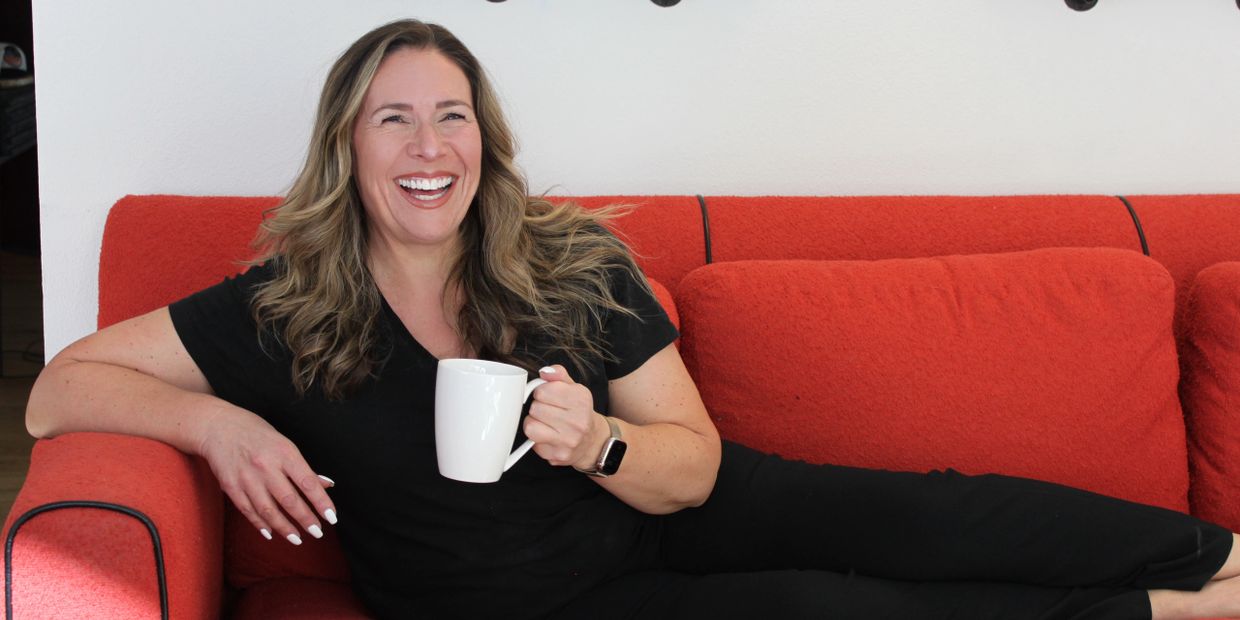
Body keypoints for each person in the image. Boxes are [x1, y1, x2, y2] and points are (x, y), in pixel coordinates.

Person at [24, 18, 1240, 620]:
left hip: (665, 506)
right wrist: (219, 430)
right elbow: (56, 386)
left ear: (481, 144)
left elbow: (690, 461)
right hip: (550, 604)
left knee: (925, 505)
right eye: (393, 118)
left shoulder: (562, 262)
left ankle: (1215, 560)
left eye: (450, 116)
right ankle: (1164, 610)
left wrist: (588, 438)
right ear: (348, 144)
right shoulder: (281, 308)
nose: (427, 145)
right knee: (841, 608)